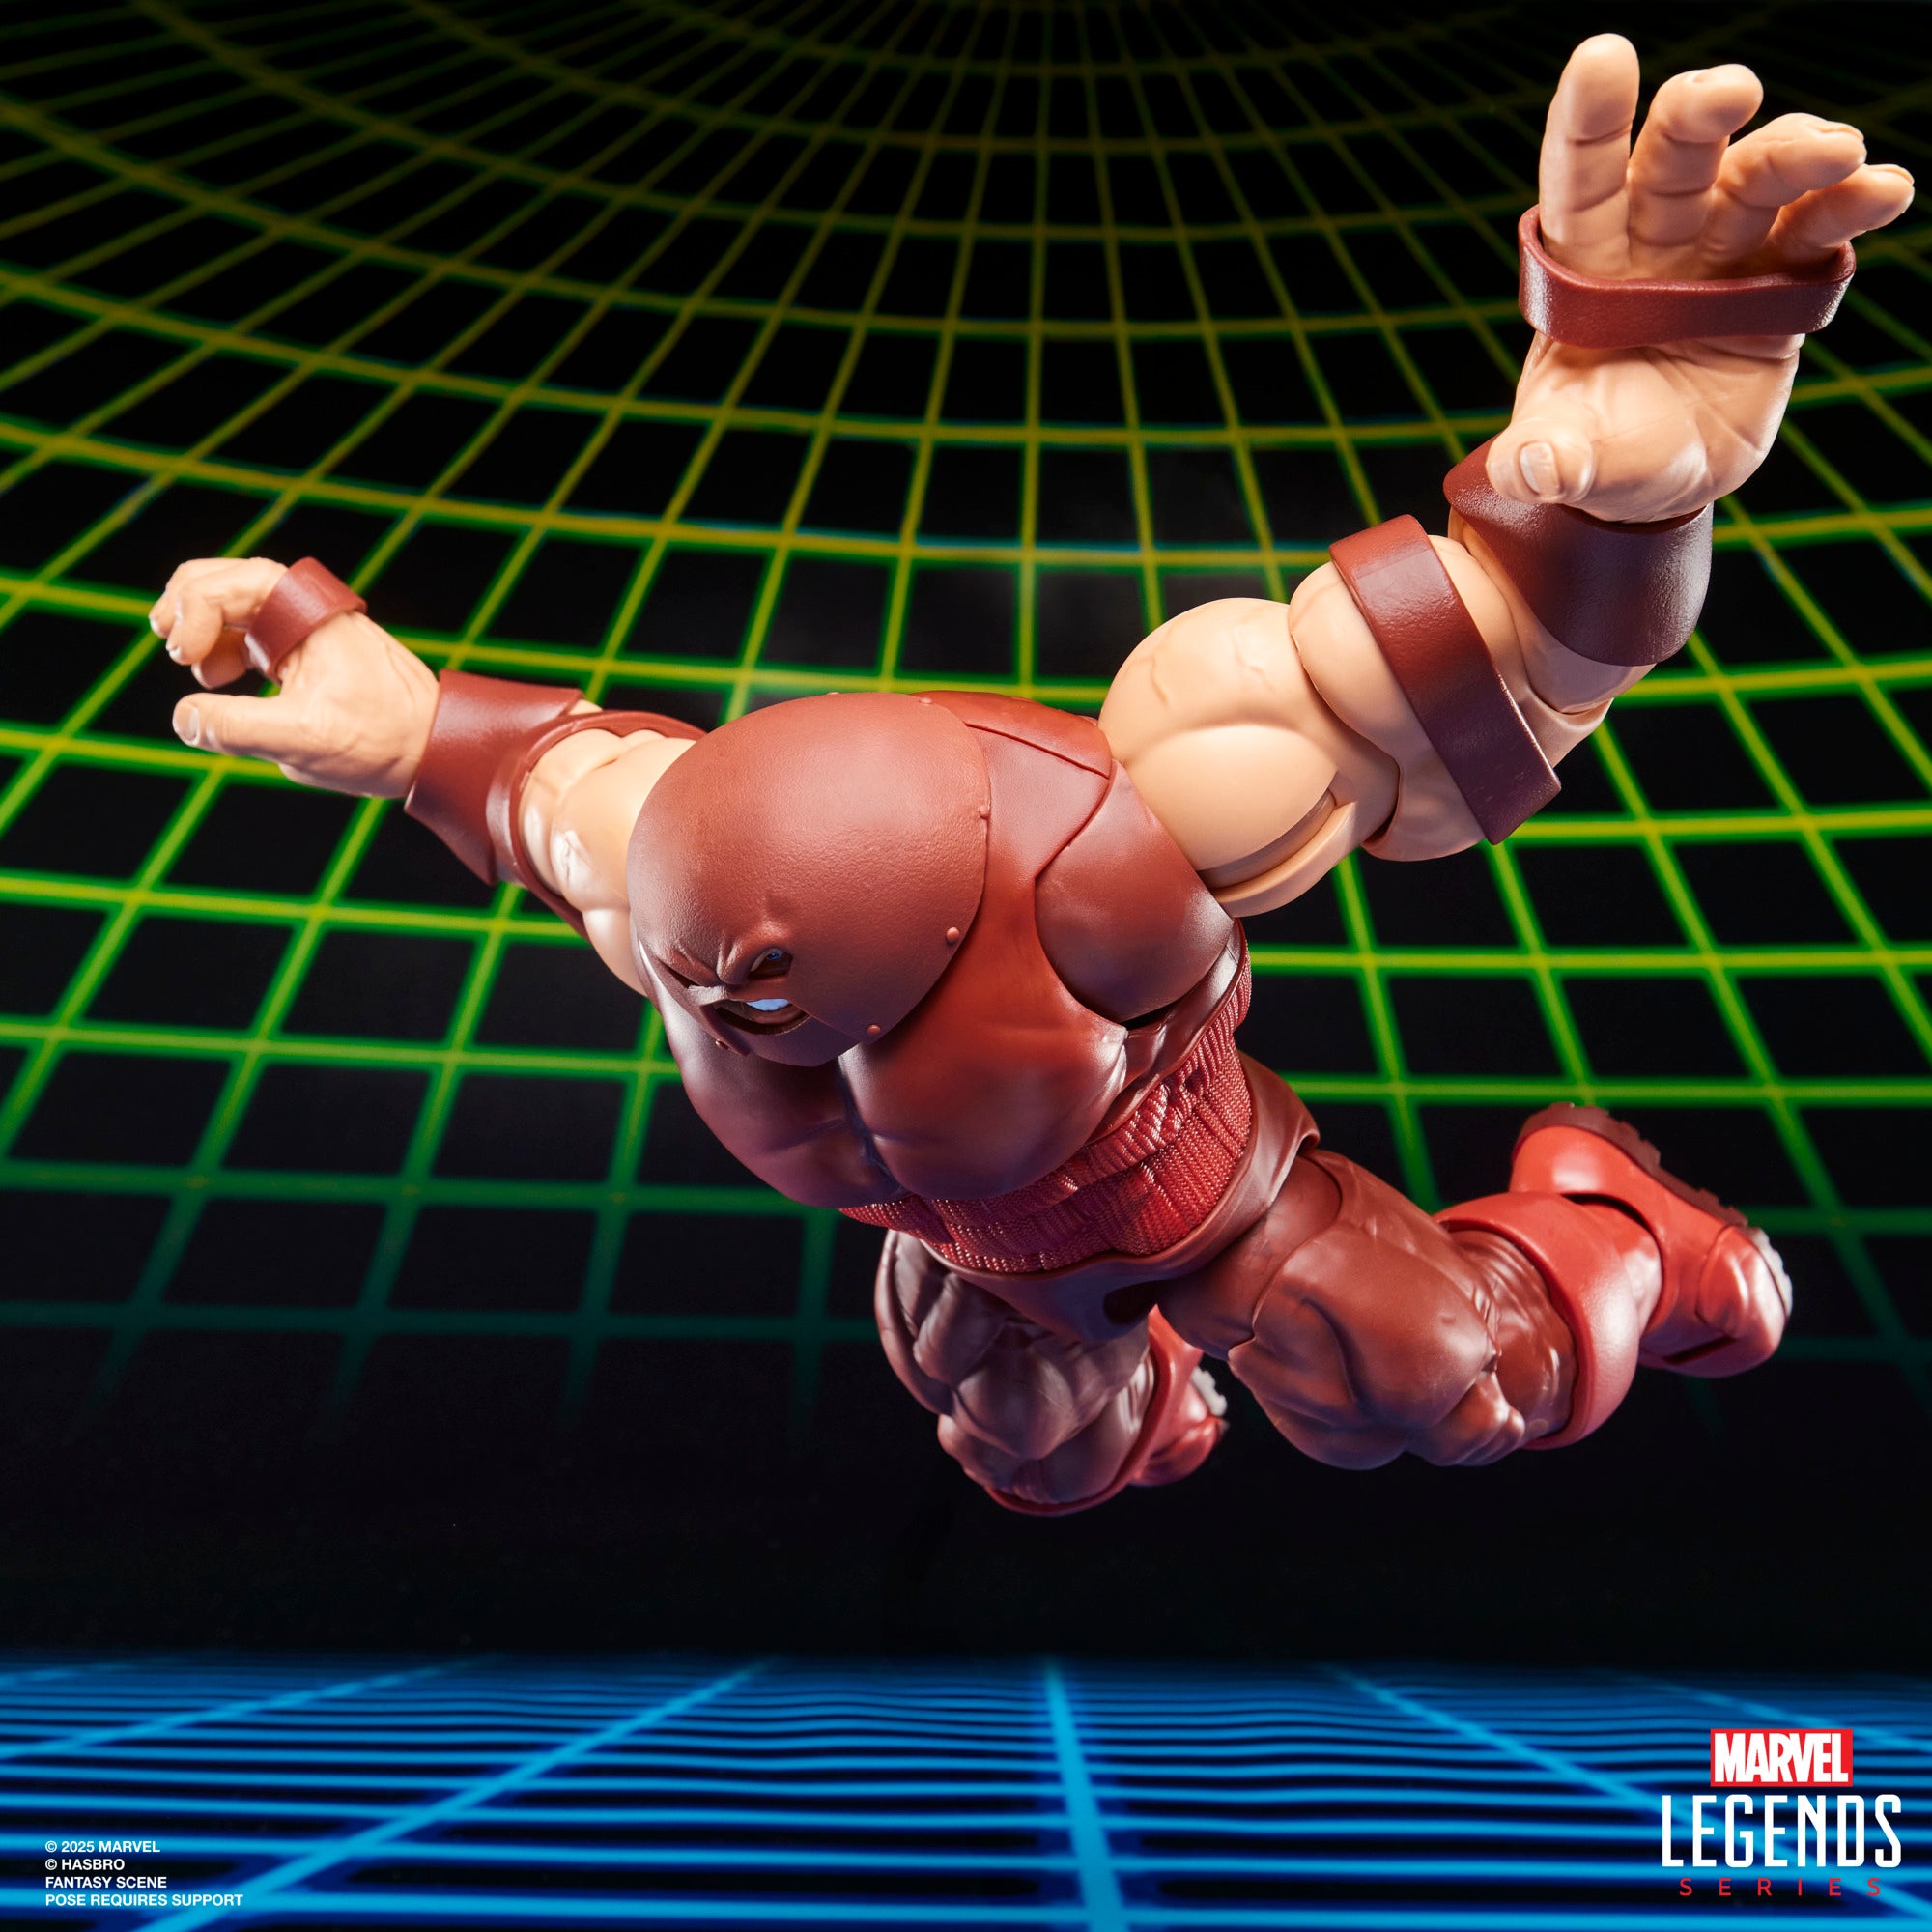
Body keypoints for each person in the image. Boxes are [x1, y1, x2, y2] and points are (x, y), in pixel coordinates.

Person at [148, 39, 1912, 1512]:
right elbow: (518, 774)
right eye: (724, 986)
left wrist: (1621, 479)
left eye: (765, 979)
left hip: (1199, 1202)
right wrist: (359, 677)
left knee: (1426, 1386)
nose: (740, 1006)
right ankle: (1125, 1407)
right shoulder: (661, 860)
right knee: (1022, 1445)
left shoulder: (1124, 839)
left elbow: (1491, 663)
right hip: (969, 1240)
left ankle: (1605, 1227)